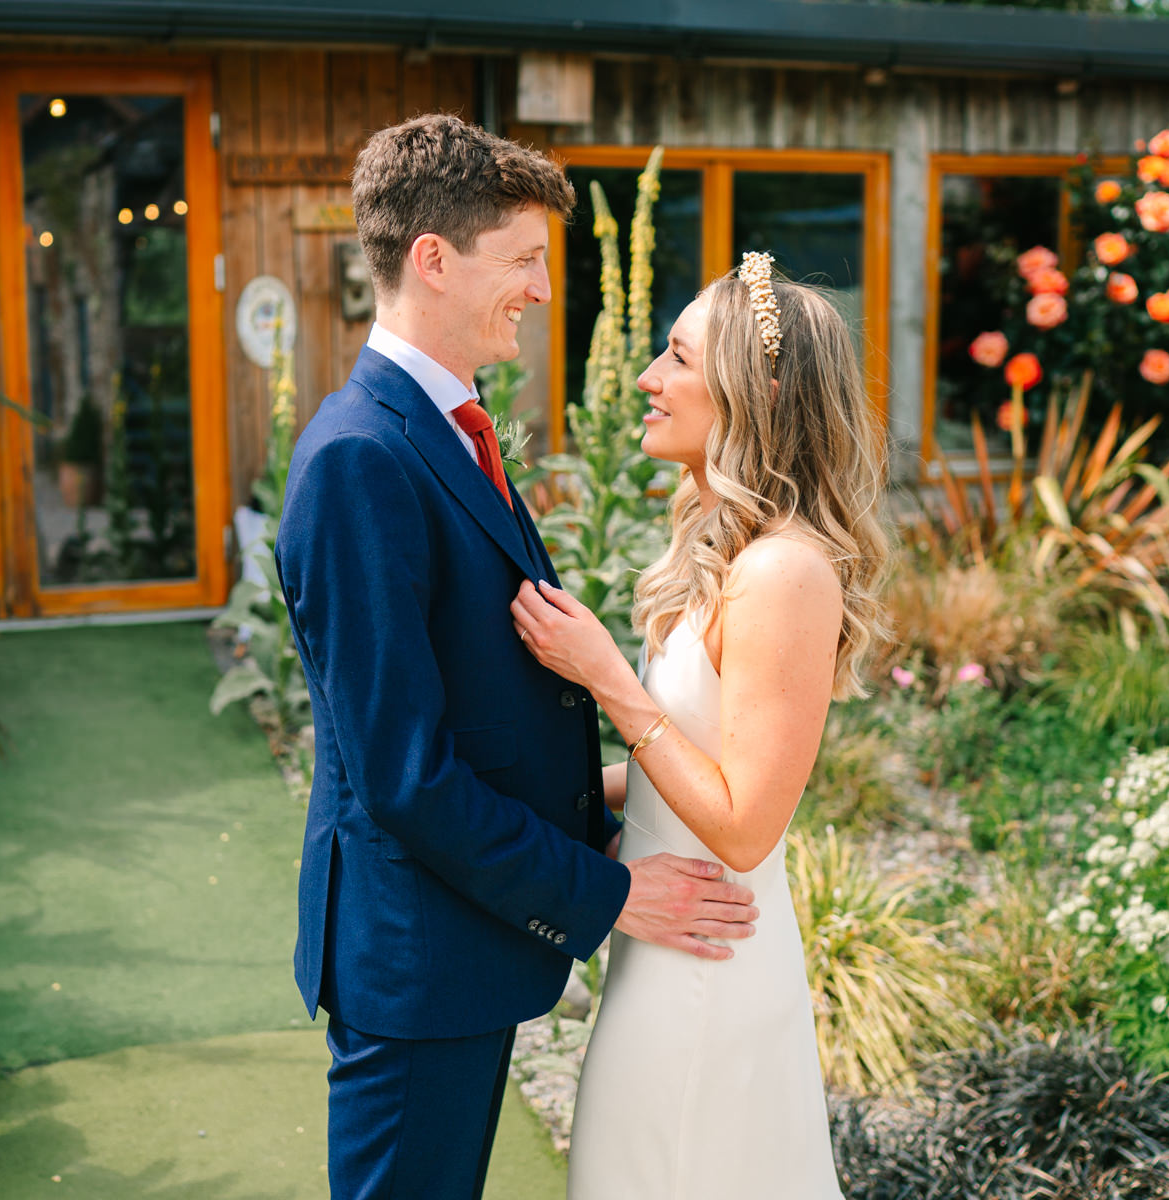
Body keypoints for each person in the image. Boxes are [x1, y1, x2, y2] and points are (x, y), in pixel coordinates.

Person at [274, 113, 760, 1200]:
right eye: (528, 260)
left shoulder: (448, 427)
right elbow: (405, 777)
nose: (545, 291)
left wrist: (655, 783)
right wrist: (606, 895)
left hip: (464, 944)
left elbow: (490, 714)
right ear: (432, 260)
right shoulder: (362, 459)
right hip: (416, 958)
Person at [510, 252, 893, 1199]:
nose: (648, 379)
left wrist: (608, 680)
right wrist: (530, 792)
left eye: (677, 358)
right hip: (666, 950)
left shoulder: (784, 573)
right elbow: (690, 765)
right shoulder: (729, 552)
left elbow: (745, 821)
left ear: (753, 391)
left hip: (709, 974)